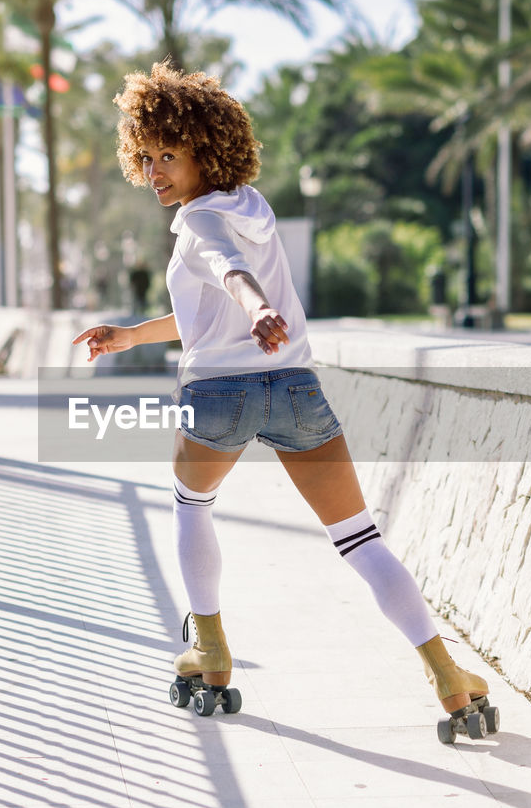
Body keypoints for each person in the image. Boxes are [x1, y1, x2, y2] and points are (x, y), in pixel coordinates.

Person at [72, 62, 493, 733]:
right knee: (359, 539)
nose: (155, 171)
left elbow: (224, 271)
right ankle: (445, 671)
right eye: (146, 156)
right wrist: (131, 337)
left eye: (169, 156)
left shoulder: (198, 224)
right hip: (294, 389)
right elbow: (210, 307)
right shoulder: (255, 209)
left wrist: (258, 307)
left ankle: (208, 647)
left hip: (216, 396)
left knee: (189, 507)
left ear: (205, 150)